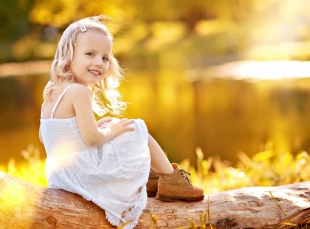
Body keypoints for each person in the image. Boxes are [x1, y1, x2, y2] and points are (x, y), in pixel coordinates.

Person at [39, 15, 203, 228]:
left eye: (105, 57)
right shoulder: (78, 91)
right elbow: (91, 139)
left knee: (112, 125)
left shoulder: (52, 89)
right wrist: (111, 131)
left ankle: (150, 179)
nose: (99, 62)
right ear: (69, 55)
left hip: (59, 174)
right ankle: (172, 180)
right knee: (134, 128)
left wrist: (98, 128)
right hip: (81, 173)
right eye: (90, 54)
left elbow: (46, 136)